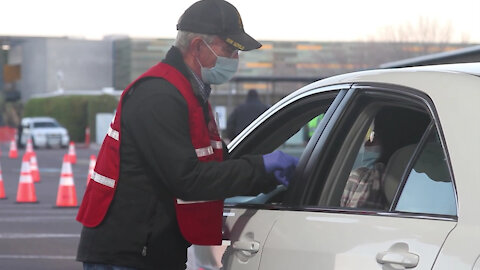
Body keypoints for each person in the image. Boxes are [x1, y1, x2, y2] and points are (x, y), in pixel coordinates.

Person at [75, 1, 298, 269]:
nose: (235, 59)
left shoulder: (191, 94)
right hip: (128, 253)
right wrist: (261, 167)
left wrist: (266, 176)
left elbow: (219, 168)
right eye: (229, 49)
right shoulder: (159, 95)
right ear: (197, 46)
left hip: (152, 248)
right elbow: (187, 179)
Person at [340, 107, 430, 209]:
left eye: (374, 135)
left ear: (389, 141)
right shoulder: (431, 191)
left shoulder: (359, 180)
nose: (367, 144)